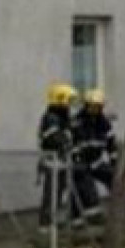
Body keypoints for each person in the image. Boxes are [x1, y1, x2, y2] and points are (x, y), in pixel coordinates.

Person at [73, 88, 118, 216]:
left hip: (96, 162)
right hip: (80, 164)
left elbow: (111, 144)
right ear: (86, 105)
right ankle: (92, 213)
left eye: (98, 107)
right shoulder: (77, 123)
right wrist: (78, 160)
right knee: (87, 186)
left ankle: (118, 208)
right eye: (93, 106)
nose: (95, 109)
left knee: (114, 177)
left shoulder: (104, 123)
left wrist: (114, 160)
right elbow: (73, 146)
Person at [38, 83, 77, 228]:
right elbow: (56, 138)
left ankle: (55, 222)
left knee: (60, 193)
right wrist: (67, 141)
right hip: (52, 162)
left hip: (61, 161)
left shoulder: (62, 118)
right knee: (51, 194)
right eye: (68, 101)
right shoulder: (51, 118)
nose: (69, 106)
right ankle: (46, 224)